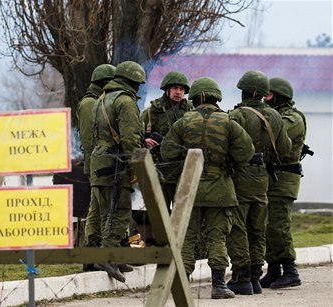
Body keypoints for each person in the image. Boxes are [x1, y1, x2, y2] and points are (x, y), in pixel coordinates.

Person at [160, 77, 255, 299]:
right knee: (217, 237)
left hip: (189, 188)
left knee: (187, 237)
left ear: (195, 98)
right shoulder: (229, 122)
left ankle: (181, 284)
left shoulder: (183, 121)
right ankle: (219, 285)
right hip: (220, 188)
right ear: (216, 97)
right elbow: (246, 153)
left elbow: (167, 152)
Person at [226, 70, 292, 295]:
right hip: (263, 177)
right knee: (257, 228)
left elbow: (226, 149)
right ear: (263, 93)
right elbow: (284, 149)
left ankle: (241, 276)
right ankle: (255, 276)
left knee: (238, 227)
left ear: (244, 91)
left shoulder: (237, 116)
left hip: (240, 177)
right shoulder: (274, 116)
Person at [90, 60, 145, 283]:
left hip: (100, 159)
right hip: (116, 162)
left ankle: (112, 255)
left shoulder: (101, 99)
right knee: (120, 211)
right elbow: (131, 139)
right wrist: (137, 168)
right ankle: (108, 256)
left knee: (106, 211)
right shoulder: (125, 101)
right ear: (133, 82)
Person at [260, 77, 307, 289]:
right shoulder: (274, 115)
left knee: (279, 225)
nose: (264, 98)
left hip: (285, 178)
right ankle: (273, 270)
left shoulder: (293, 118)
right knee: (267, 226)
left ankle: (290, 270)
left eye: (268, 95)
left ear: (279, 95)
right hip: (271, 178)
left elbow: (275, 138)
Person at [76, 64, 116, 272]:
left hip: (102, 165)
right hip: (98, 166)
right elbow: (89, 139)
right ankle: (92, 256)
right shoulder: (89, 104)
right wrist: (97, 165)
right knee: (98, 211)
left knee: (99, 210)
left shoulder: (100, 102)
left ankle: (93, 256)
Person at [140, 71, 193, 211]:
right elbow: (136, 133)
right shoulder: (152, 111)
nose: (178, 92)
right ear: (167, 89)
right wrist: (145, 140)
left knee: (181, 214)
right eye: (175, 88)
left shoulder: (191, 112)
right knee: (159, 212)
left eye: (182, 89)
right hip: (160, 170)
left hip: (183, 170)